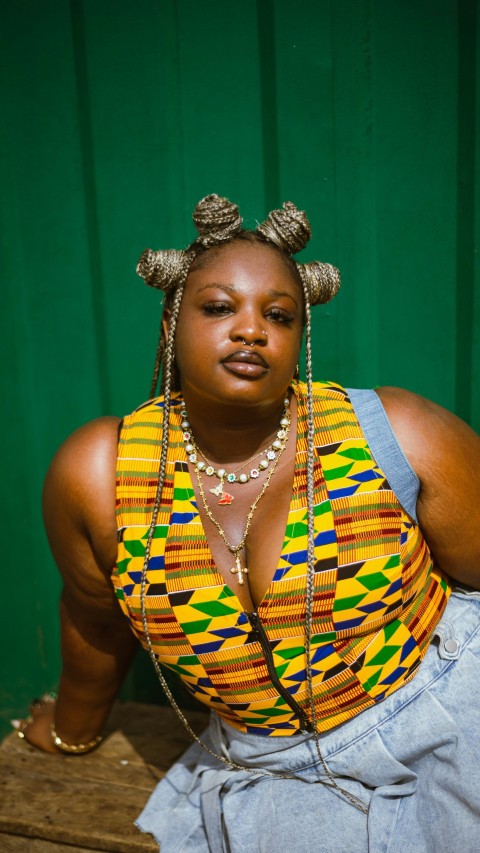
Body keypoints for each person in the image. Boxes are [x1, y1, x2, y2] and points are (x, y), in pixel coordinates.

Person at [19, 194, 480, 852]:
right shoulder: (100, 474)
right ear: (172, 321)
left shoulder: (397, 434)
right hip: (272, 767)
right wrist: (73, 729)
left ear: (300, 336)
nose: (251, 330)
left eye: (279, 315)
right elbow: (95, 621)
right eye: (218, 307)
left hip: (447, 710)